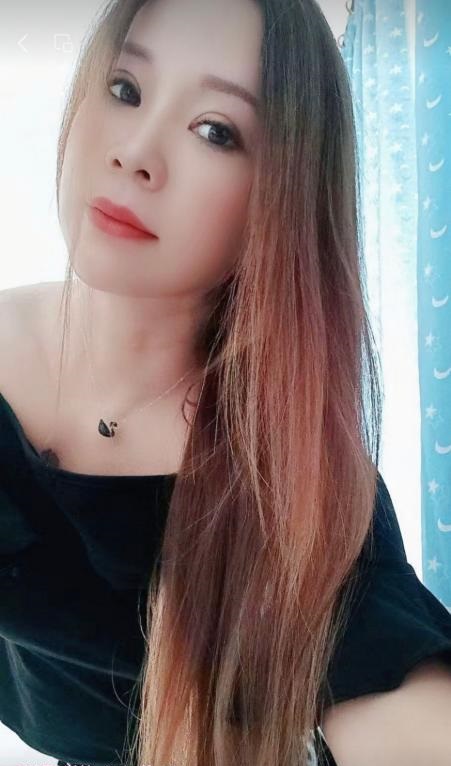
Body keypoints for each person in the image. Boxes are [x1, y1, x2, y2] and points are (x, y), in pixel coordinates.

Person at [2, 0, 451, 765]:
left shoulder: (295, 481)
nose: (135, 153)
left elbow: (390, 674)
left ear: (280, 196)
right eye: (125, 89)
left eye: (215, 131)